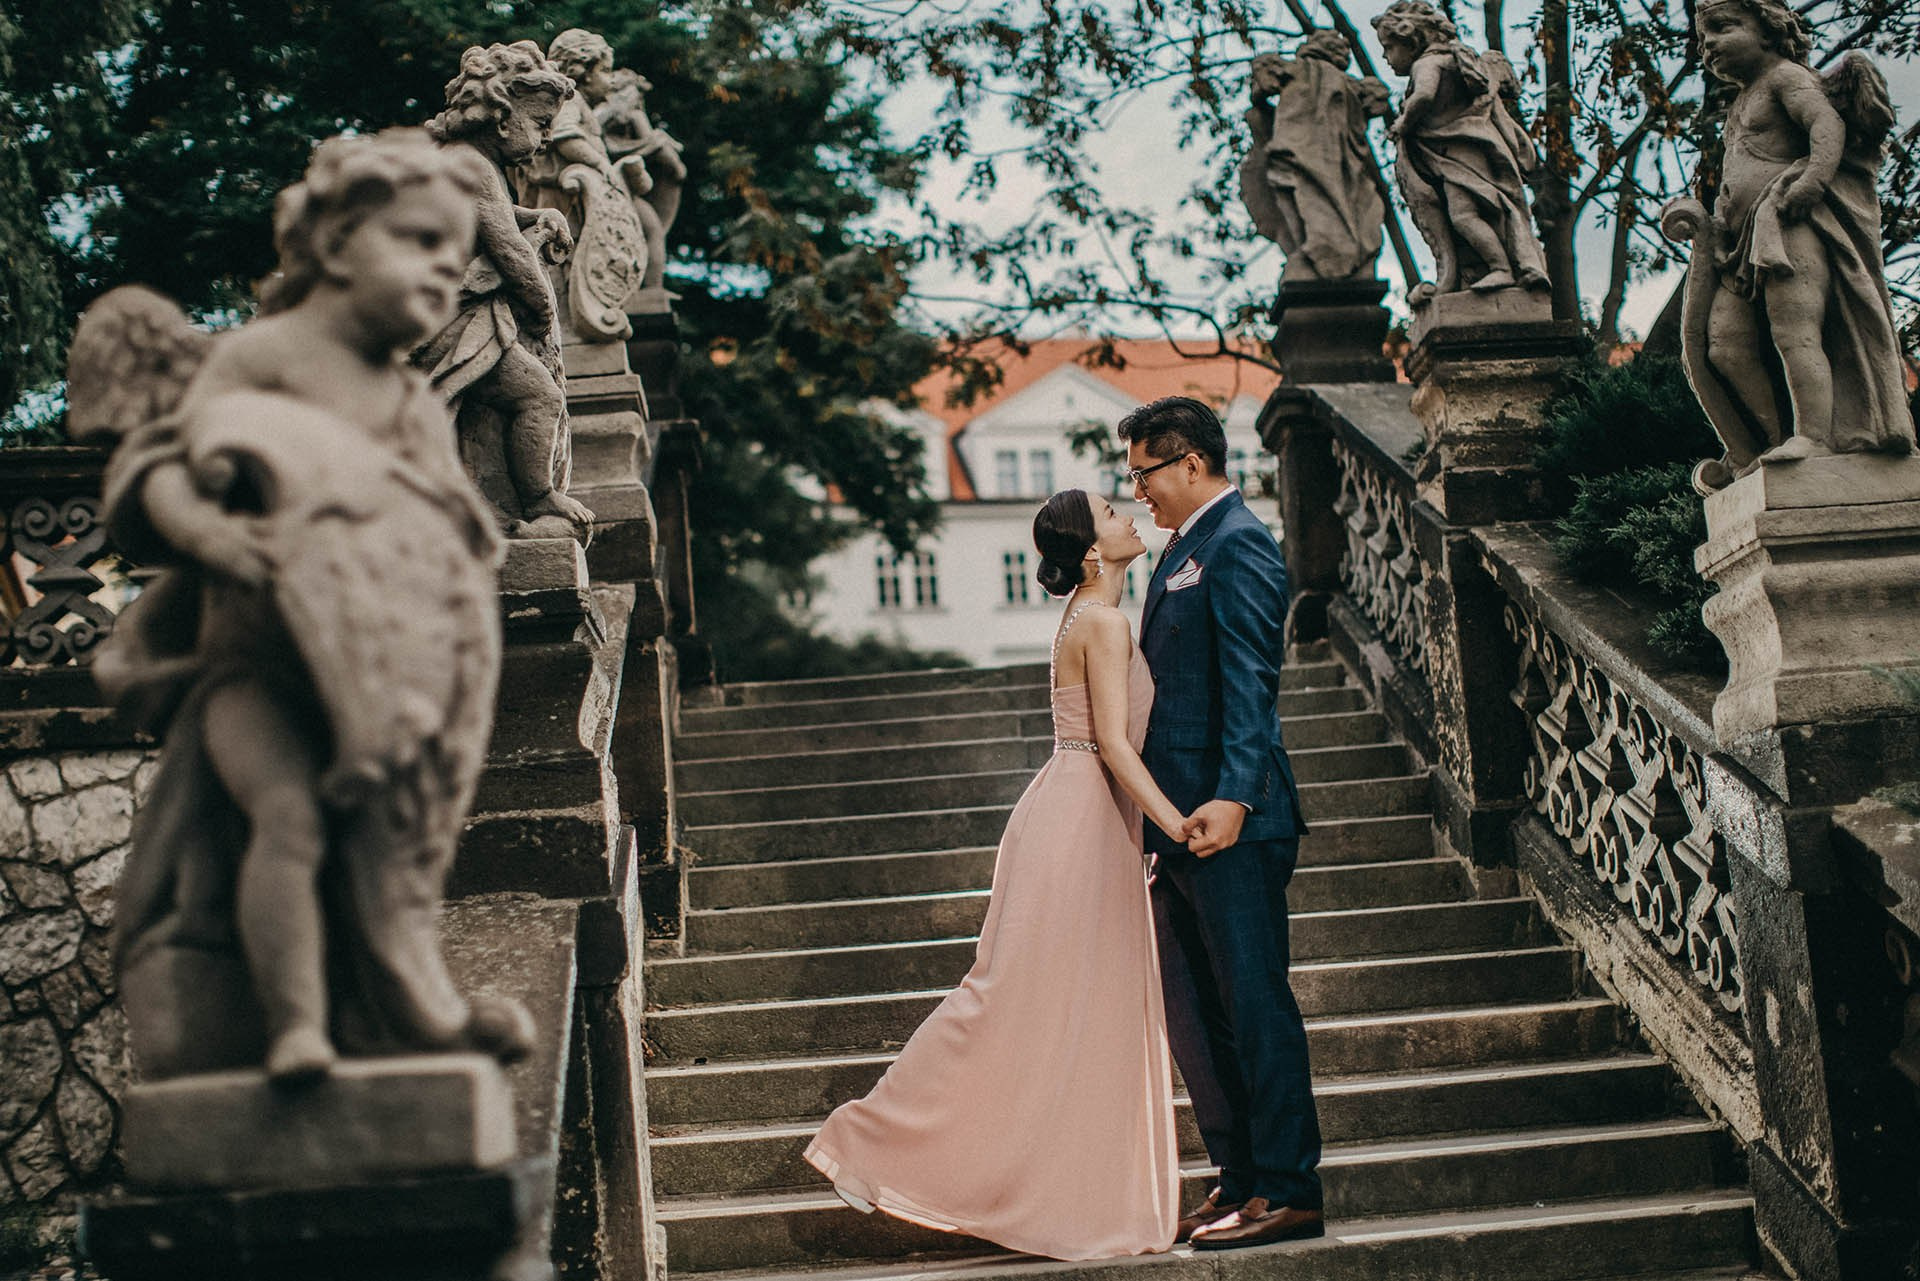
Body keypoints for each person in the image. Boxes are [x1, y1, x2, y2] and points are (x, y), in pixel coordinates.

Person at [79, 129, 530, 1084]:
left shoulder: (410, 399)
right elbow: (162, 469)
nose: (446, 272)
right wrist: (208, 533)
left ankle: (409, 1005)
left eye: (459, 260)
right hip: (253, 667)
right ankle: (294, 1025)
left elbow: (432, 530)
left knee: (391, 857)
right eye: (419, 242)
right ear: (333, 246)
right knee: (286, 820)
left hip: (370, 680)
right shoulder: (264, 357)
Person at [804, 489, 1182, 1260]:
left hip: (1077, 814)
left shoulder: (1084, 611)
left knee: (1053, 1008)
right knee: (1011, 999)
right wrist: (1177, 825)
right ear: (1090, 549)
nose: (1129, 517)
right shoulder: (1102, 621)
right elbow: (1113, 742)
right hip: (1079, 819)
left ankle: (1054, 1181)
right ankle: (867, 1138)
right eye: (1113, 512)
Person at [1121, 395, 1323, 1249]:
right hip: (1177, 829)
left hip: (1232, 821)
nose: (1139, 494)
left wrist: (1235, 797)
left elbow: (1252, 683)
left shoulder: (1237, 543)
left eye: (1144, 475)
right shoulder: (1179, 551)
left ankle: (1289, 1186)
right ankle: (1237, 1177)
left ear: (1190, 464)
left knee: (1254, 1003)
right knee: (1197, 1016)